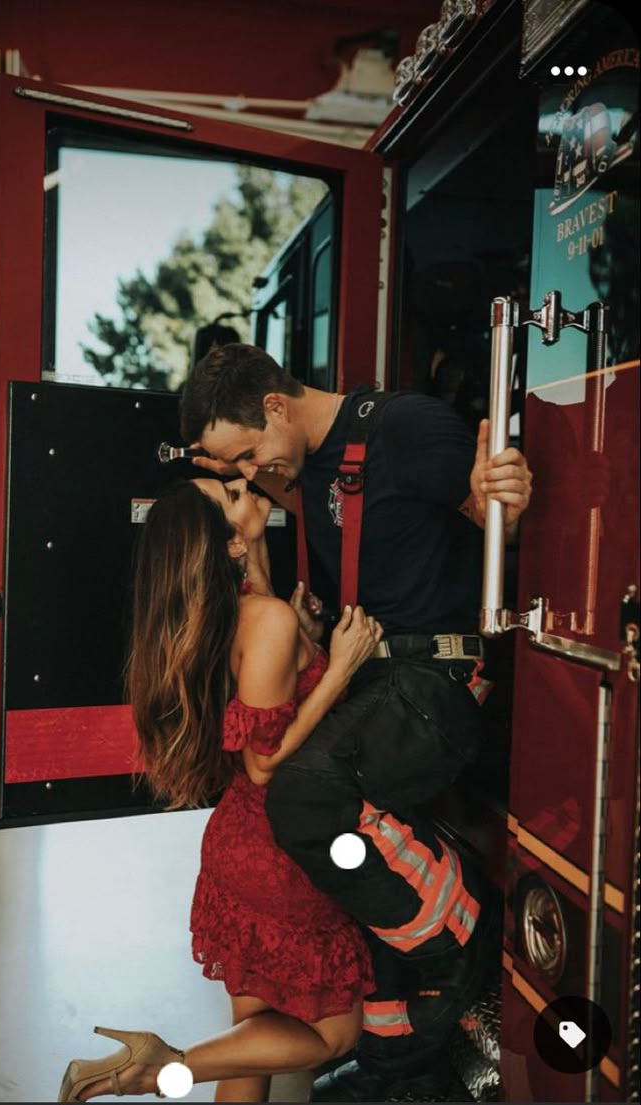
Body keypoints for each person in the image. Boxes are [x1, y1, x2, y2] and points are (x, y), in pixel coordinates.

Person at [178, 343, 533, 1102]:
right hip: (373, 687)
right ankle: (397, 1067)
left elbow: (490, 515)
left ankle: (463, 927)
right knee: (348, 879)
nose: (247, 475)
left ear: (275, 406)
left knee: (304, 797)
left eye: (246, 455)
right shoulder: (300, 467)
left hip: (435, 681)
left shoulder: (408, 428)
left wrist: (501, 491)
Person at [58, 476, 383, 1104]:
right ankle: (158, 1067)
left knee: (253, 1043)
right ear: (224, 541)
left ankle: (162, 1065)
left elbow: (265, 627)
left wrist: (264, 563)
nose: (246, 485)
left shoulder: (217, 613)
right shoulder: (264, 620)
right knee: (335, 1033)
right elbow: (265, 763)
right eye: (230, 493)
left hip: (242, 845)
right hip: (281, 850)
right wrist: (340, 665)